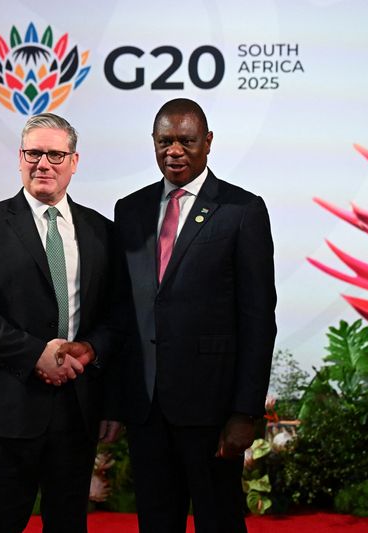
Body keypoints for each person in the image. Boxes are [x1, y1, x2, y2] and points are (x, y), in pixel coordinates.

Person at [0, 113, 121, 533]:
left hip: (77, 410)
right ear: (20, 158)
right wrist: (36, 355)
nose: (43, 163)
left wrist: (92, 350)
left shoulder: (102, 231)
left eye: (55, 154)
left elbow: (116, 316)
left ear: (75, 161)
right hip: (4, 410)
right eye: (33, 153)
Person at [114, 98, 277, 532]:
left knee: (219, 521)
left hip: (213, 412)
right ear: (153, 143)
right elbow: (121, 314)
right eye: (165, 141)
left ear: (207, 143)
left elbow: (259, 318)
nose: (175, 151)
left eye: (186, 141)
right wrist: (114, 402)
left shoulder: (242, 211)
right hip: (147, 411)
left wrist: (246, 412)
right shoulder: (128, 211)